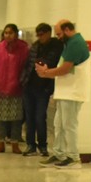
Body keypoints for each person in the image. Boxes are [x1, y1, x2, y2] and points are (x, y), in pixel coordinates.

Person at [36, 19, 90, 167]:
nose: (58, 37)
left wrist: (46, 73)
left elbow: (65, 69)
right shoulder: (70, 43)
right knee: (59, 124)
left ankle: (73, 157)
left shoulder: (76, 43)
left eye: (59, 34)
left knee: (69, 125)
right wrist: (47, 72)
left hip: (73, 92)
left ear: (67, 30)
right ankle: (59, 153)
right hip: (66, 91)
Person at [21, 23, 61, 158]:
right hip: (29, 86)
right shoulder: (35, 46)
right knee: (30, 117)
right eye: (38, 35)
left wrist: (40, 63)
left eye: (42, 34)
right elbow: (29, 65)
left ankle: (42, 145)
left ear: (49, 33)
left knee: (40, 117)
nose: (40, 37)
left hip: (43, 88)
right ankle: (30, 145)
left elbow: (49, 62)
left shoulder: (56, 46)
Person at [0, 23, 28, 154]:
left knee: (16, 118)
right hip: (0, 88)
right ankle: (1, 143)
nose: (8, 35)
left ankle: (15, 144)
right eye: (6, 33)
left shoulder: (23, 48)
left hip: (17, 89)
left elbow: (26, 67)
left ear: (16, 34)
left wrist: (22, 82)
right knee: (0, 118)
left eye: (10, 33)